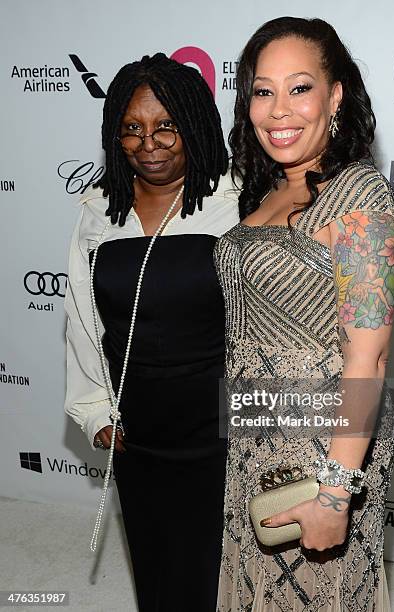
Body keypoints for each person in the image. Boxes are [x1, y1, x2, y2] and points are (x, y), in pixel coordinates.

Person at [214, 17, 394, 611]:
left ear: (336, 96)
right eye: (262, 91)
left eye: (299, 88)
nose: (278, 110)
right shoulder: (269, 188)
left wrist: (334, 495)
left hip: (322, 453)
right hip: (255, 436)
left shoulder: (359, 198)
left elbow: (368, 357)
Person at [64, 53, 238, 612]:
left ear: (194, 125)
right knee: (157, 563)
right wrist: (94, 410)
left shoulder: (236, 202)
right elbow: (82, 319)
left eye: (166, 125)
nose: (149, 143)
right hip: (138, 425)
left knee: (221, 570)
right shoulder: (98, 213)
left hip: (223, 427)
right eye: (132, 129)